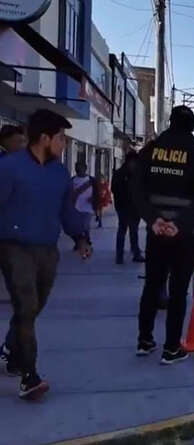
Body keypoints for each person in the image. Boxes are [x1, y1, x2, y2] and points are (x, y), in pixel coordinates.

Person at [0, 109, 92, 401]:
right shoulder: (9, 168)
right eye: (61, 138)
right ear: (44, 138)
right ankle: (30, 377)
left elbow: (66, 210)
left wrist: (80, 237)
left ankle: (13, 352)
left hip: (47, 250)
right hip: (14, 248)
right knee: (26, 307)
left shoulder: (59, 173)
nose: (64, 143)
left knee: (33, 308)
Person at [131, 106, 194, 365]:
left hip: (156, 232)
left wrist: (153, 219)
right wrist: (179, 223)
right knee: (178, 291)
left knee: (152, 286)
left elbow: (136, 191)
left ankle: (145, 341)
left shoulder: (149, 152)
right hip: (186, 234)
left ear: (170, 123)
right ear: (191, 126)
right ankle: (171, 349)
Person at [112, 151, 145, 264]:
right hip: (124, 208)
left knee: (133, 231)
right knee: (122, 231)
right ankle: (119, 255)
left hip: (134, 209)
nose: (135, 164)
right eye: (134, 162)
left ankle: (135, 253)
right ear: (129, 161)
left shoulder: (138, 174)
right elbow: (114, 189)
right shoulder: (120, 174)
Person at [70, 162, 98, 248]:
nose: (78, 170)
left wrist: (94, 199)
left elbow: (97, 193)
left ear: (85, 168)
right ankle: (79, 242)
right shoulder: (72, 180)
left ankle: (86, 241)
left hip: (87, 208)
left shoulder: (91, 180)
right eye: (77, 168)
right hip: (75, 208)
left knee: (85, 226)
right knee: (75, 228)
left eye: (80, 167)